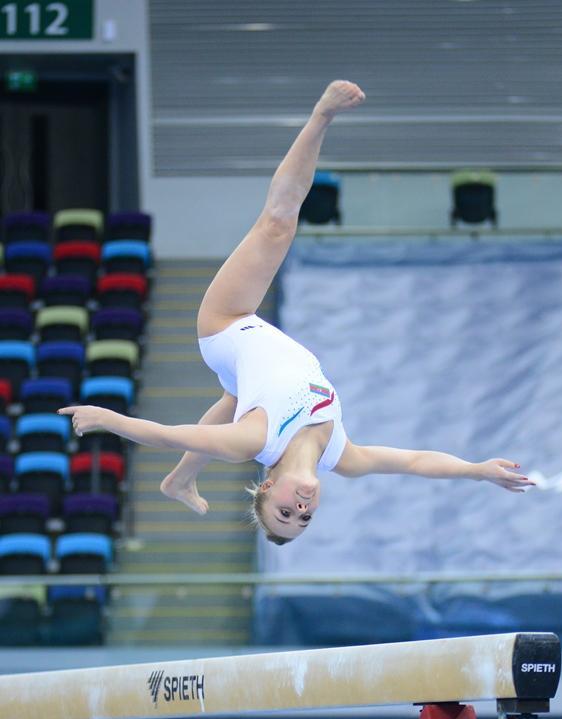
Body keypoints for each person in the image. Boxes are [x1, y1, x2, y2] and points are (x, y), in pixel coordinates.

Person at [60, 80, 535, 545]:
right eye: (304, 518)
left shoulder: (254, 441)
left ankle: (320, 116)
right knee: (232, 394)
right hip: (243, 369)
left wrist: (109, 418)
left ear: (265, 487)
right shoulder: (341, 457)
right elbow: (413, 462)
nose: (302, 506)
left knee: (278, 224)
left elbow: (167, 433)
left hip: (226, 322)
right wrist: (477, 471)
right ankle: (180, 482)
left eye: (285, 511)